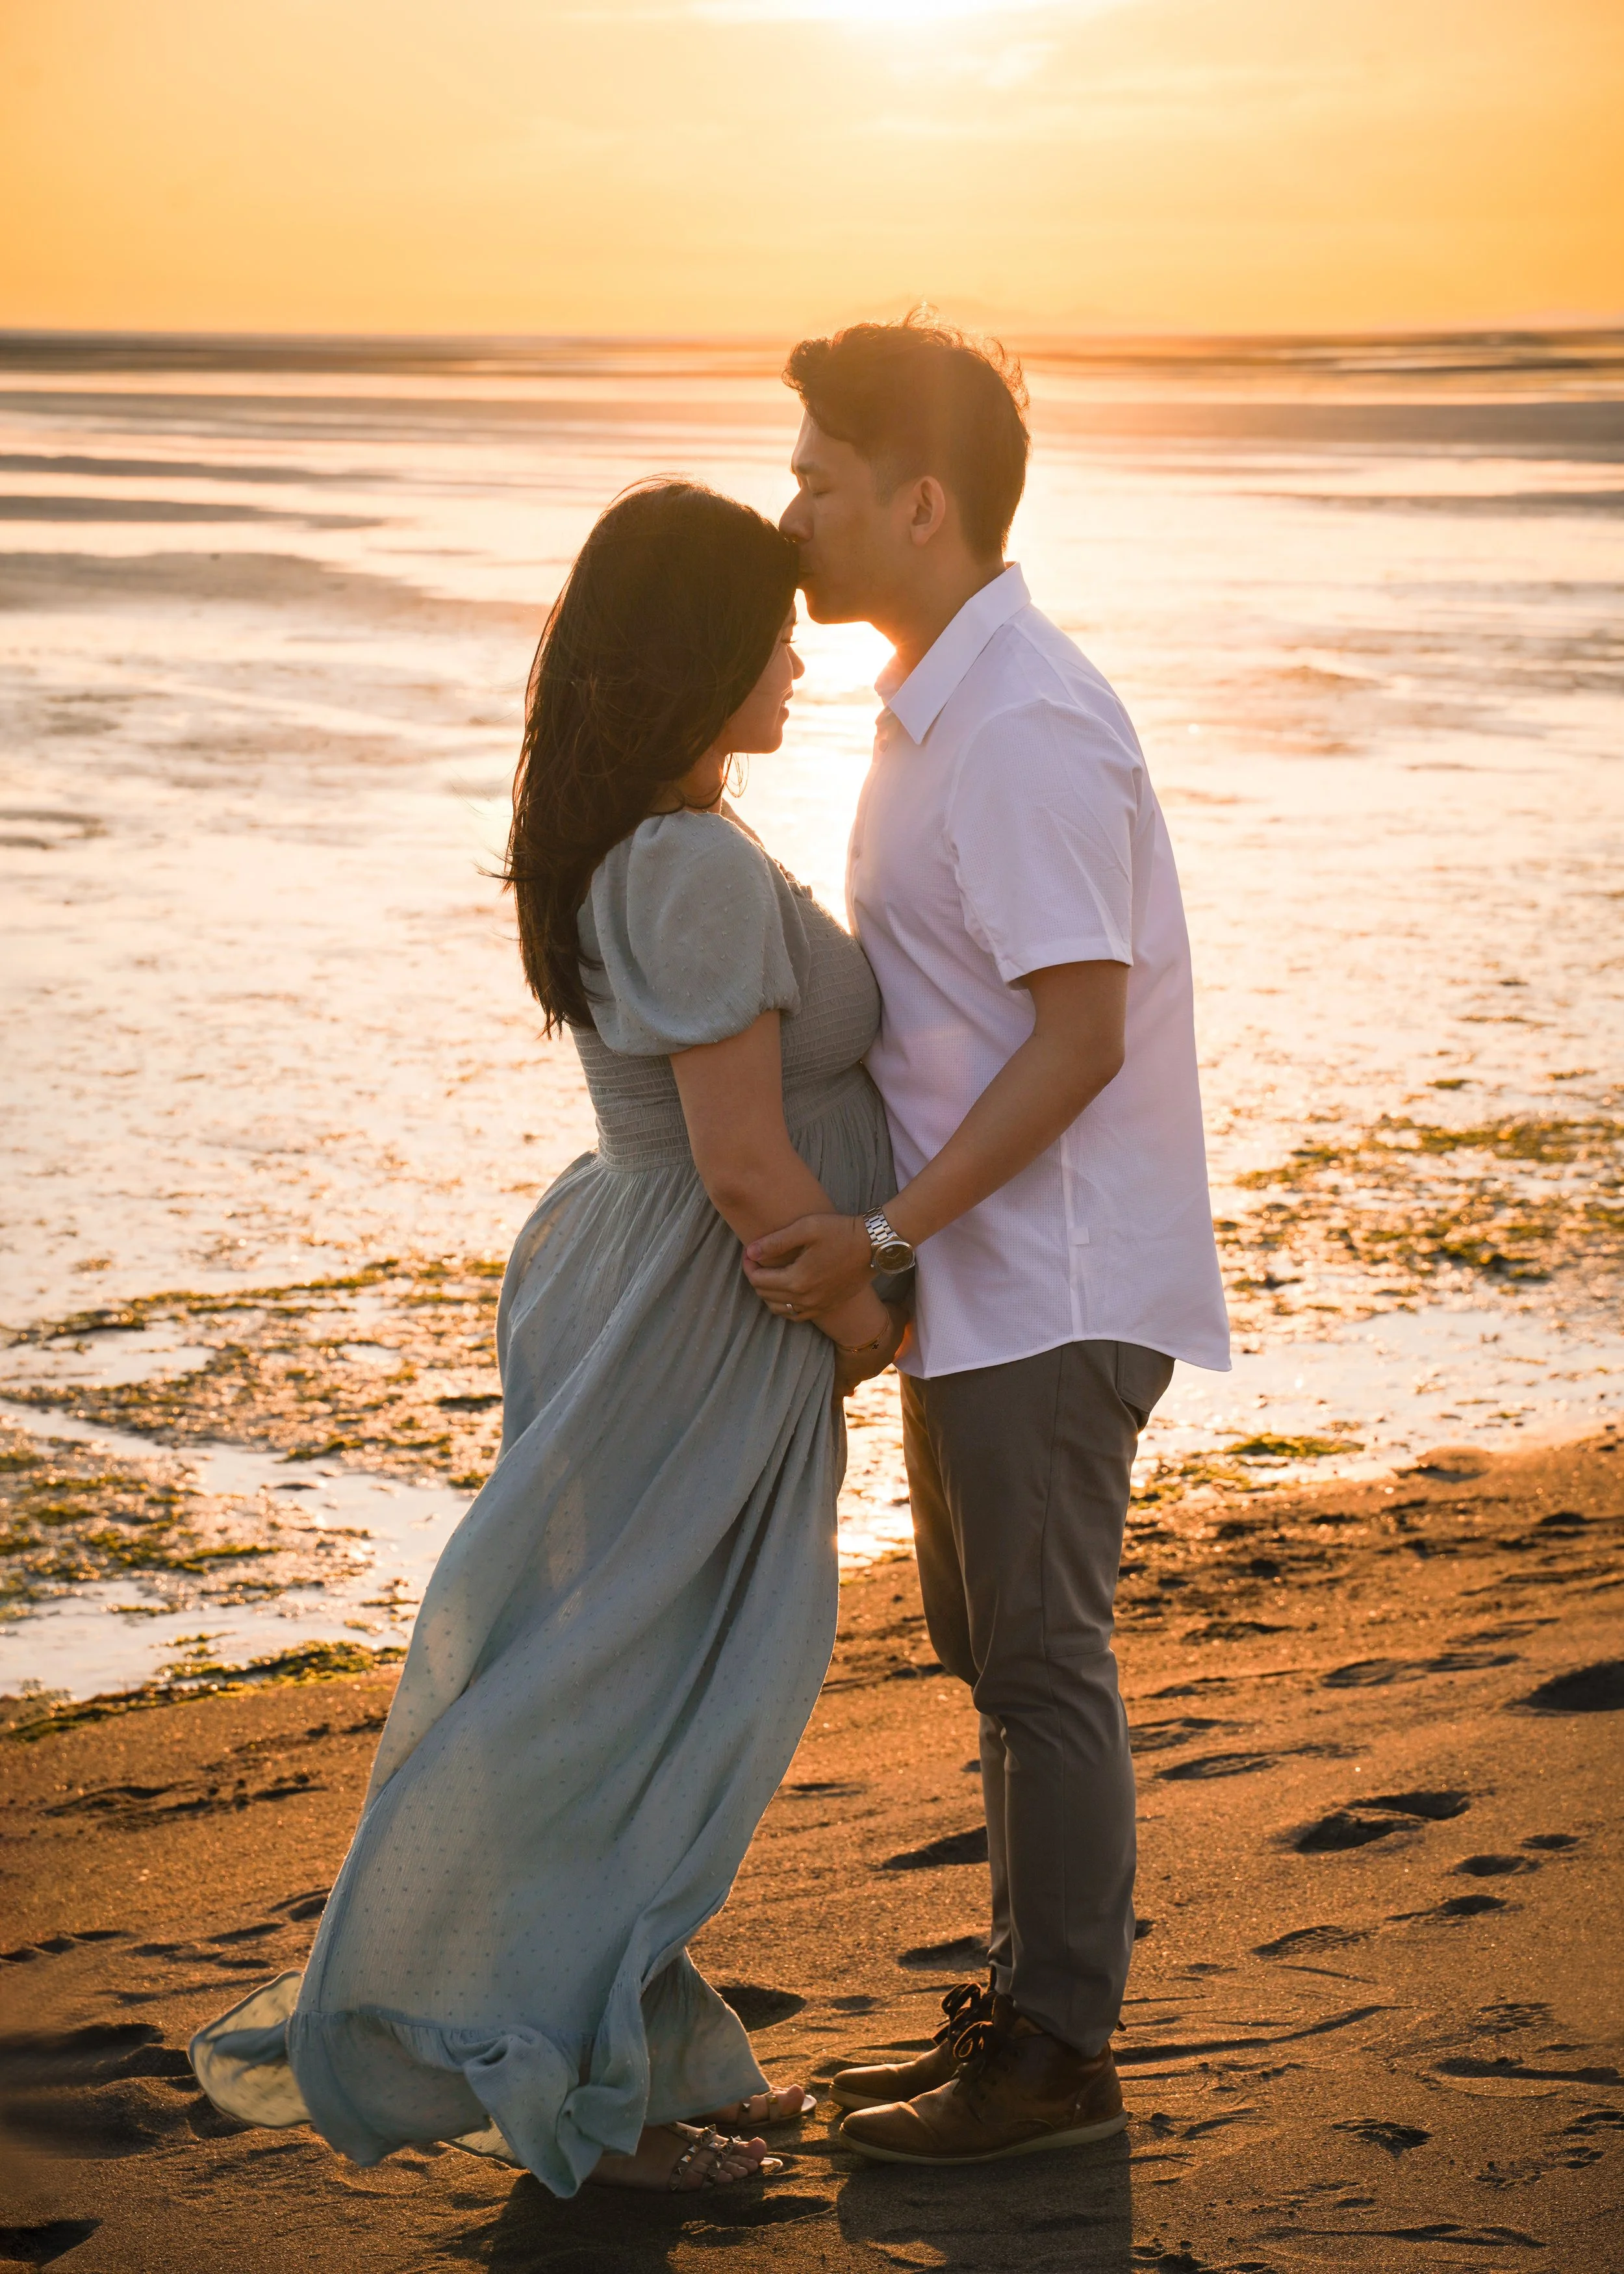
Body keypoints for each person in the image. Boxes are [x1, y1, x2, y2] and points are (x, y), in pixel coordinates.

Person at [190, 480, 906, 2197]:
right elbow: (742, 1158)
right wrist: (869, 1314)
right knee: (641, 1701)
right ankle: (578, 2099)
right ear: (690, 652)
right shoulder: (689, 866)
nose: (796, 663)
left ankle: (637, 2067)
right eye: (765, 632)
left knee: (627, 1691)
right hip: (704, 1312)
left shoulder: (652, 841)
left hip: (648, 1289)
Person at [744, 315, 1231, 2166]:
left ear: (919, 500)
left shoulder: (1019, 724)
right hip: (986, 1271)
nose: (788, 510)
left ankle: (1055, 2055)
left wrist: (882, 1229)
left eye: (815, 478)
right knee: (991, 1640)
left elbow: (1082, 1031)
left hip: (1049, 1271)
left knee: (1037, 1656)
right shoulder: (940, 694)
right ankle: (1022, 2016)